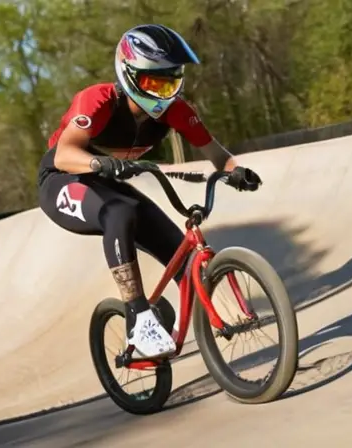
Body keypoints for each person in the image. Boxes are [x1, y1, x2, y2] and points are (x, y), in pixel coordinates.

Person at [37, 24, 262, 359]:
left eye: (171, 81)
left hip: (107, 181)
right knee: (120, 211)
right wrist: (100, 164)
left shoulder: (177, 111)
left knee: (183, 259)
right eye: (154, 82)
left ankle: (195, 326)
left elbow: (218, 156)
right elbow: (65, 154)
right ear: (128, 74)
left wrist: (236, 172)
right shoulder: (98, 101)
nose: (163, 91)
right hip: (62, 179)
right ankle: (139, 316)